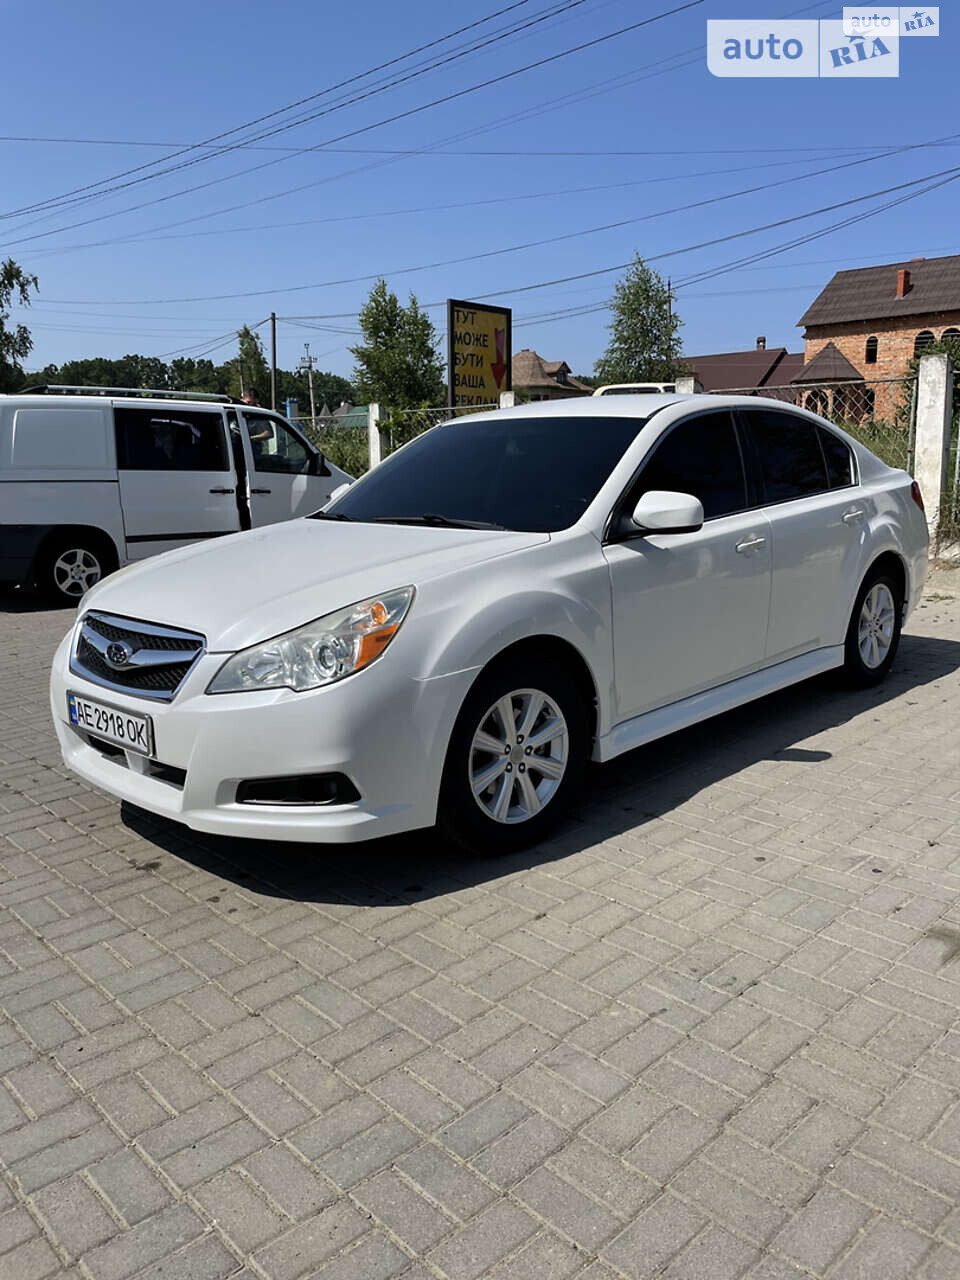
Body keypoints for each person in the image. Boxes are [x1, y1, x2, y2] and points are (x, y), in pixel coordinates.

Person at [241, 387, 274, 458]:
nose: (251, 406)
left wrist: (250, 438)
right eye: (248, 403)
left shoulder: (258, 414)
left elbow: (268, 433)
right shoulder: (234, 411)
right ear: (242, 400)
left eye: (254, 403)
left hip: (253, 451)